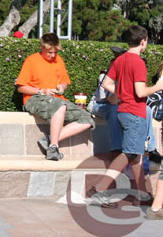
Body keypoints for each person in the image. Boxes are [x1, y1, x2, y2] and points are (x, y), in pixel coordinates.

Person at [89, 25, 163, 208]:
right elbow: (141, 92)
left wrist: (121, 93)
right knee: (129, 152)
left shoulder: (120, 60)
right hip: (135, 113)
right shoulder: (138, 63)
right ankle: (100, 189)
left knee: (135, 153)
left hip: (122, 111)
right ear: (143, 41)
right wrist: (159, 86)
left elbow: (106, 83)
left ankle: (144, 195)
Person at [16, 32, 95, 161]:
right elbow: (21, 87)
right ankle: (53, 147)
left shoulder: (59, 60)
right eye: (49, 52)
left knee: (87, 119)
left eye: (55, 52)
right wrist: (42, 91)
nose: (53, 55)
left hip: (57, 100)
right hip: (35, 99)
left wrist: (62, 87)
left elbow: (64, 81)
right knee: (60, 106)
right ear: (42, 48)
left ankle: (48, 139)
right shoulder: (32, 60)